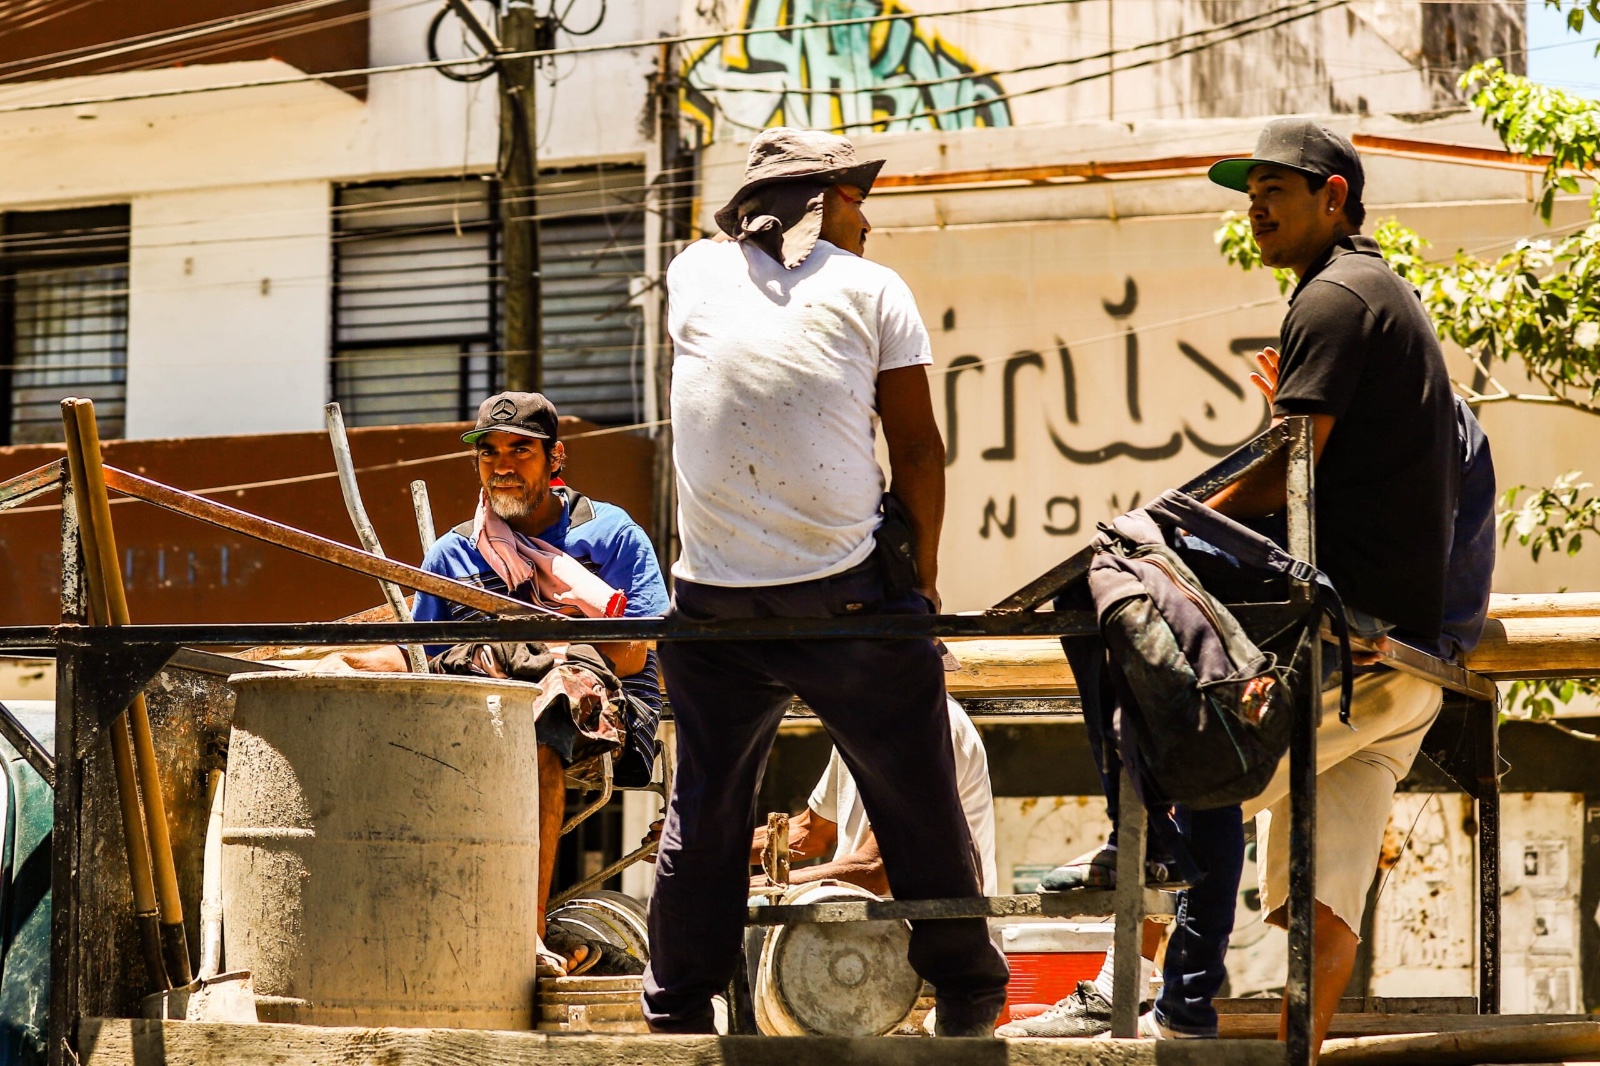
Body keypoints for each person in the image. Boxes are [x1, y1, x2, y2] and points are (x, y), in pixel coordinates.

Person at [1009, 119, 1471, 1057]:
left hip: (1340, 615)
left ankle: (1137, 832)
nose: (1256, 210)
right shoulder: (1375, 293)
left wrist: (1174, 522)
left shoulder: (1332, 297)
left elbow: (1286, 468)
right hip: (1387, 631)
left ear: (1334, 198)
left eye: (1276, 192)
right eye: (1250, 195)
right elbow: (1309, 459)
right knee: (1252, 801)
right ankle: (1187, 1005)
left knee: (1107, 583)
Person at [644, 127, 1009, 1037]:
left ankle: (677, 1007)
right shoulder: (873, 289)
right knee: (917, 792)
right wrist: (922, 594)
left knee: (706, 807)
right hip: (842, 597)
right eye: (856, 199)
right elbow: (917, 450)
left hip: (711, 603)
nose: (868, 220)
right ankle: (968, 990)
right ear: (820, 204)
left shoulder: (691, 272)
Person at [329, 391, 669, 977]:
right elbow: (425, 659)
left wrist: (543, 637)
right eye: (489, 452)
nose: (502, 465)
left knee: (543, 712)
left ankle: (528, 933)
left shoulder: (610, 534)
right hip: (489, 702)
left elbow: (634, 651)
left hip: (602, 704)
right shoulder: (455, 554)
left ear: (555, 457)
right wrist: (339, 664)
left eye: (520, 450)